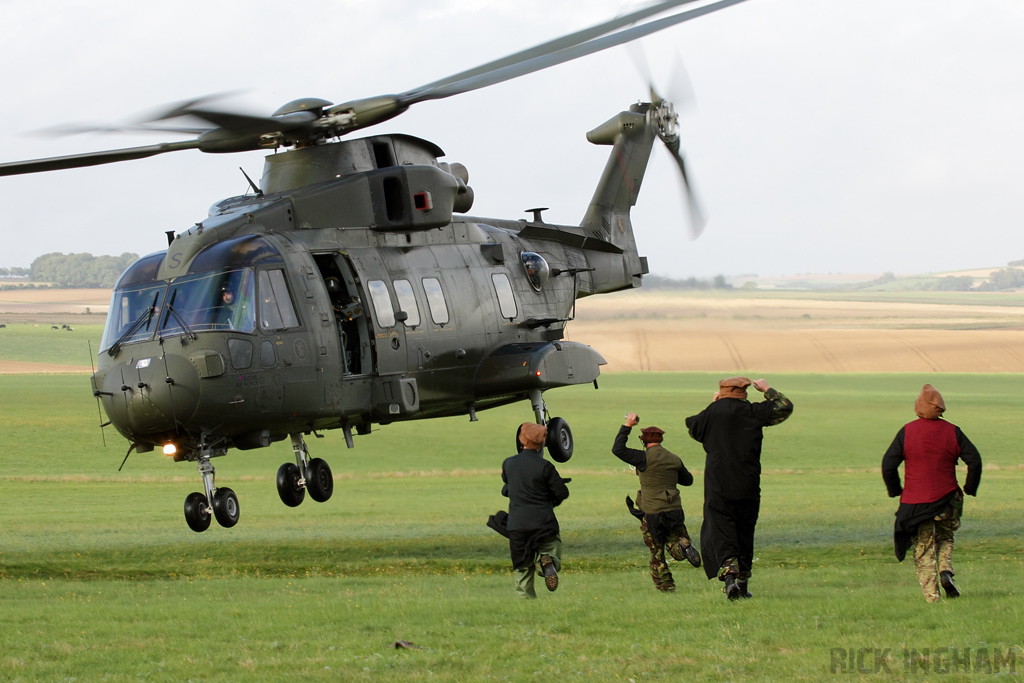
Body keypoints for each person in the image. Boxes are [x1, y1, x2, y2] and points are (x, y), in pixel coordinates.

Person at [685, 377, 793, 600]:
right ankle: (742, 583)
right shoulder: (753, 412)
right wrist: (767, 390)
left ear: (721, 392)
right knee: (745, 530)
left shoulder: (713, 413)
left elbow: (694, 428)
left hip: (718, 484)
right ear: (744, 392)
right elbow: (784, 406)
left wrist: (714, 404)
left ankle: (730, 578)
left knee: (721, 529)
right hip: (747, 482)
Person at [881, 384, 982, 603]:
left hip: (916, 503)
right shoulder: (953, 431)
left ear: (918, 407)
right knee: (946, 536)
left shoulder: (907, 431)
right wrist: (970, 488)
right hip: (948, 500)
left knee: (923, 547)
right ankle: (946, 570)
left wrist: (896, 490)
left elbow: (888, 465)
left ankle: (932, 598)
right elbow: (975, 460)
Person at [612, 413, 701, 592]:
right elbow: (688, 480)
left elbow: (618, 449)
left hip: (651, 513)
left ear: (644, 441)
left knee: (657, 551)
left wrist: (627, 425)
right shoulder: (674, 458)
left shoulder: (643, 458)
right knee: (674, 540)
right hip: (674, 510)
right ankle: (682, 546)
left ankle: (666, 586)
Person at [499, 422, 570, 598]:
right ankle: (547, 560)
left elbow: (507, 485)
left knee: (522, 569)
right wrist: (549, 500)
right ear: (542, 443)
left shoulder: (509, 464)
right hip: (543, 522)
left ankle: (526, 606)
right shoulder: (545, 466)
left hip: (517, 525)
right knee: (551, 547)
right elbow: (562, 493)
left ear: (521, 439)